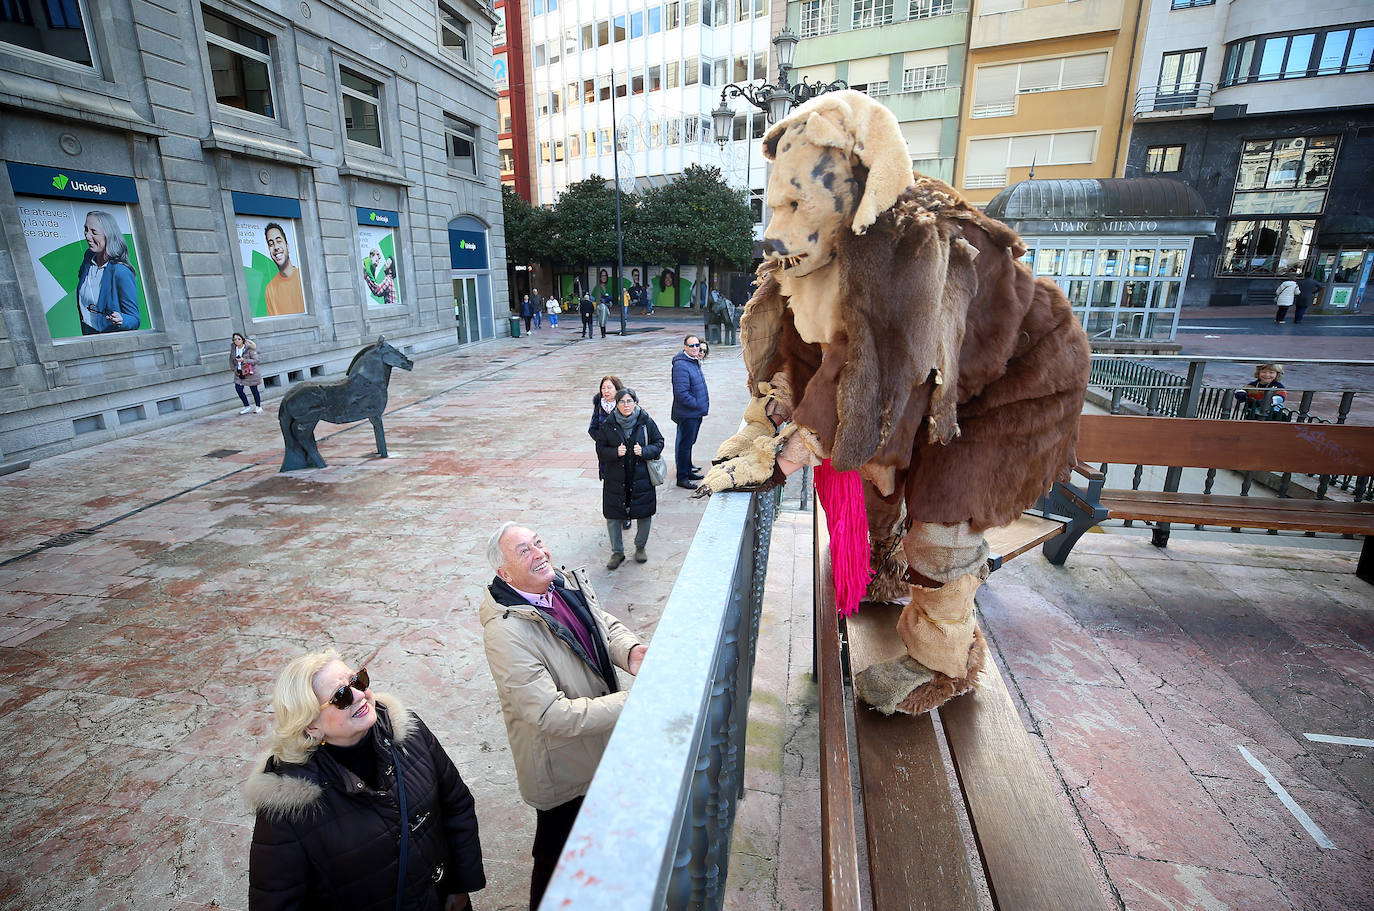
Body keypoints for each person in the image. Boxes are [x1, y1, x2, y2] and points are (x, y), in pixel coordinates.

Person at [479, 523, 646, 910]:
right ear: (504, 574)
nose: (539, 553)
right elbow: (550, 715)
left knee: (594, 840)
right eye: (524, 551)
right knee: (556, 855)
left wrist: (630, 650)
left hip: (597, 745)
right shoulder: (507, 632)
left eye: (538, 542)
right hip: (561, 766)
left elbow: (601, 624)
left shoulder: (559, 587)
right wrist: (633, 705)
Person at [245, 647, 486, 911]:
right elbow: (275, 900)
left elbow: (457, 804)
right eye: (341, 696)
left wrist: (460, 887)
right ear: (311, 726)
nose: (360, 695)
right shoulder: (287, 804)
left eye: (357, 680)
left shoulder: (409, 734)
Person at [595, 387, 664, 566]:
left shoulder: (646, 421)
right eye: (622, 402)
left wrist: (645, 451)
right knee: (613, 516)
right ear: (616, 404)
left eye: (629, 401)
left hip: (641, 477)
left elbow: (659, 442)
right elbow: (600, 449)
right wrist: (614, 452)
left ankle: (640, 547)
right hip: (615, 479)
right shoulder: (608, 424)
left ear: (635, 403)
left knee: (644, 513)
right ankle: (617, 552)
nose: (626, 405)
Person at [76, 210, 140, 333]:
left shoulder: (121, 271)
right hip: (87, 332)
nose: (87, 236)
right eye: (86, 229)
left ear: (108, 235)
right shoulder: (88, 257)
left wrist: (122, 319)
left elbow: (134, 319)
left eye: (93, 232)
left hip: (110, 339)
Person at [671, 334, 709, 489]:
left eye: (697, 345)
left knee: (688, 443)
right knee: (684, 445)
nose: (695, 348)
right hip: (688, 414)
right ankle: (682, 477)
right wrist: (698, 405)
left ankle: (688, 470)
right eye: (691, 345)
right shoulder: (682, 365)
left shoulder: (693, 361)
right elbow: (681, 394)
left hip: (694, 413)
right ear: (685, 347)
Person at [264, 223, 306, 317]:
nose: (276, 247)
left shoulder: (303, 278)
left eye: (279, 241)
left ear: (287, 246)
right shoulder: (269, 289)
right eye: (271, 244)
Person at [231, 332, 263, 415]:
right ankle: (246, 406)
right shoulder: (234, 349)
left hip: (250, 373)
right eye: (234, 339)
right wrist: (233, 368)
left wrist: (244, 360)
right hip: (239, 372)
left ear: (242, 340)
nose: (236, 341)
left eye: (238, 339)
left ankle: (258, 406)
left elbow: (256, 360)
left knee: (254, 389)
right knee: (238, 389)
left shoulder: (249, 349)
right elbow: (231, 359)